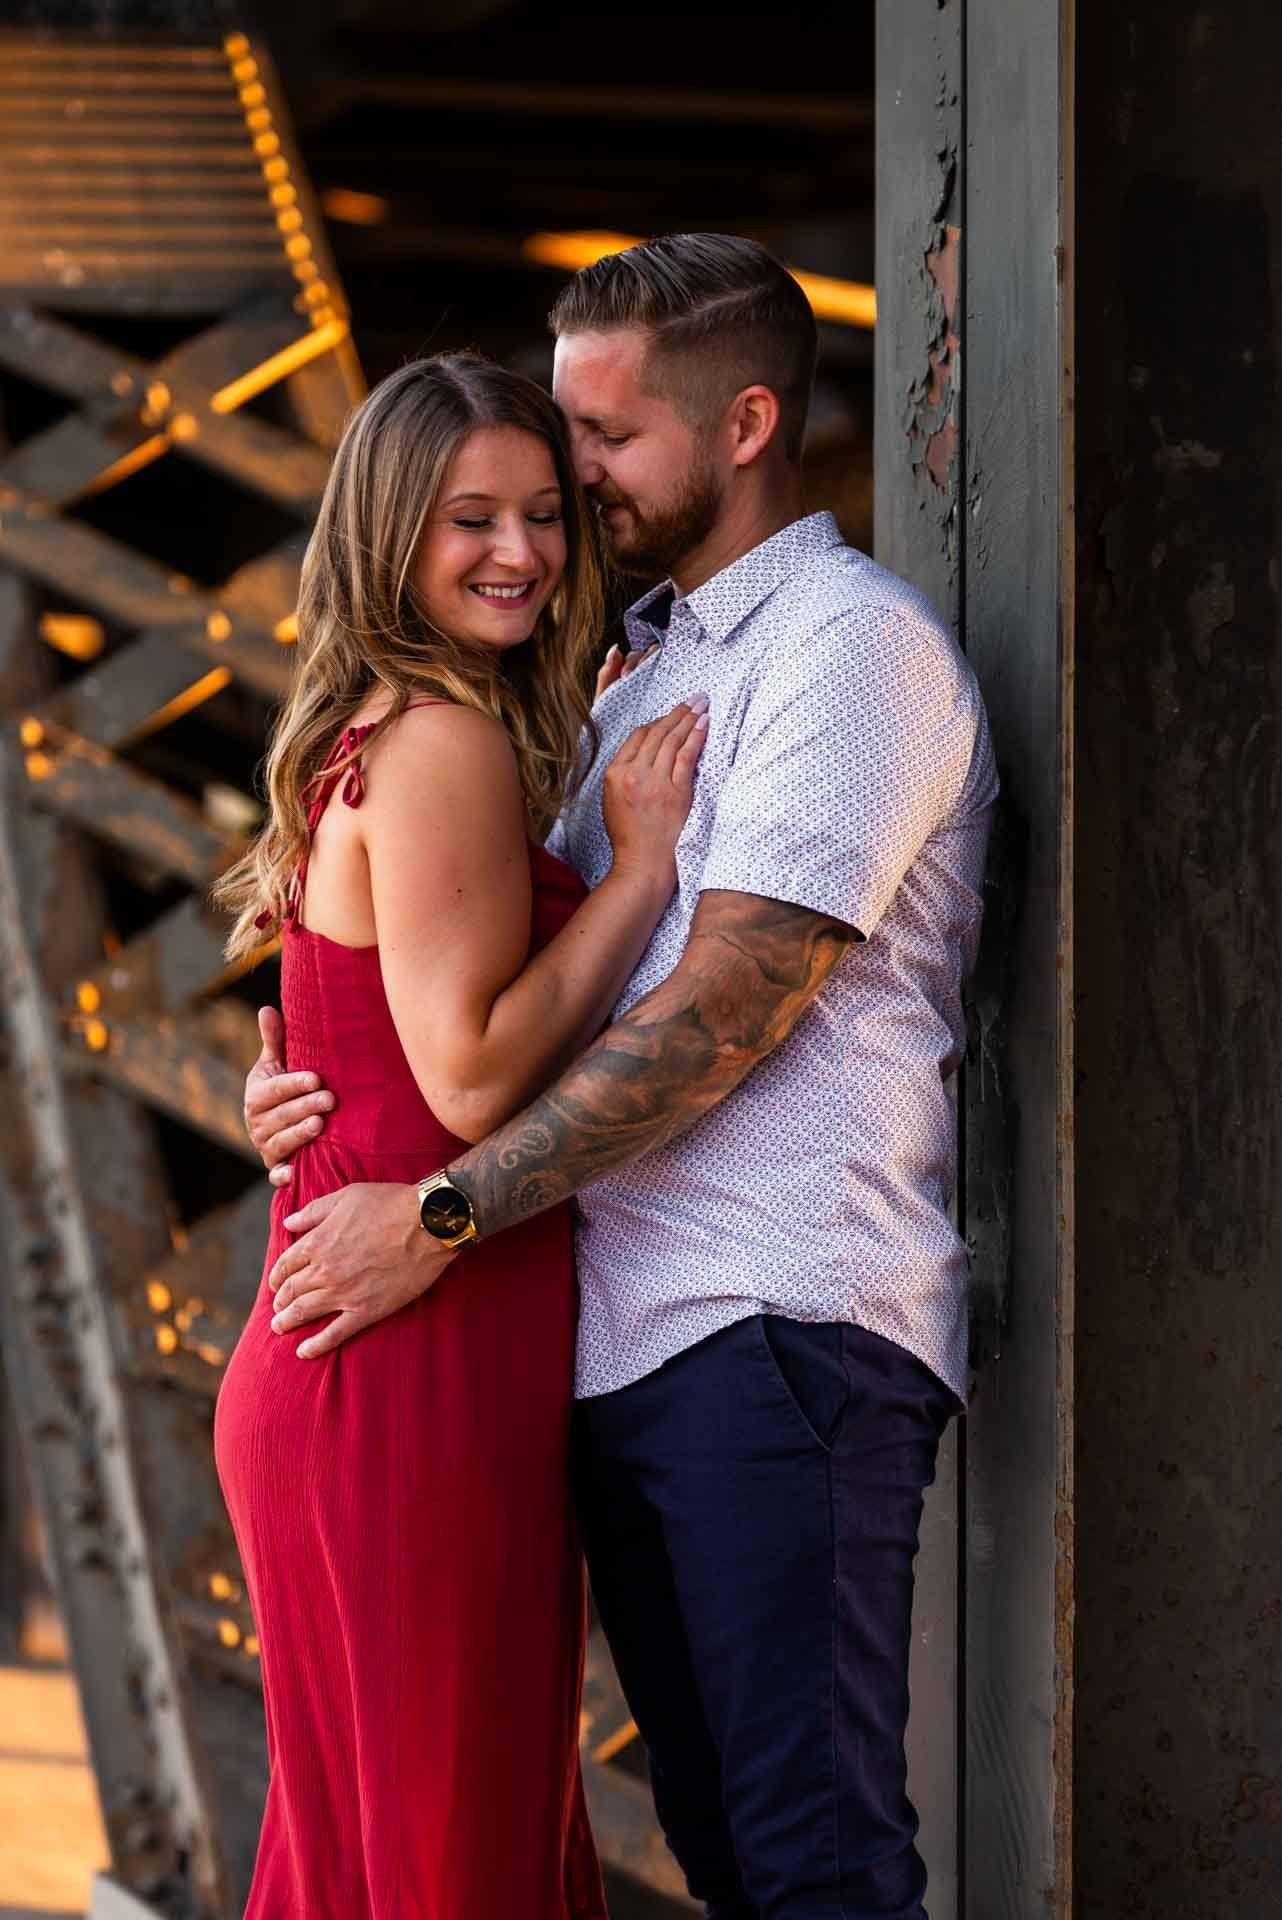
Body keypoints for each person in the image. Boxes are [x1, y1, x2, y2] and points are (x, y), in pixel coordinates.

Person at [248, 235, 998, 1920]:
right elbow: (465, 987)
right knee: (728, 1850)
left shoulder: (842, 650)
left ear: (741, 424)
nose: (564, 485)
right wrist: (310, 1072)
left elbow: (720, 1015)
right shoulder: (636, 676)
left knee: (809, 1852)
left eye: (599, 439)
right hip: (616, 1344)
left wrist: (435, 1209)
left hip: (777, 1328)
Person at [212, 350, 708, 1920]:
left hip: (382, 1348)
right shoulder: (440, 740)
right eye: (467, 519)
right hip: (407, 1368)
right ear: (385, 535)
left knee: (392, 1853)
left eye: (544, 514)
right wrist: (634, 875)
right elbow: (477, 1076)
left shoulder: (397, 723)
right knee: (449, 1859)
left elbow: (371, 1046)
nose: (519, 552)